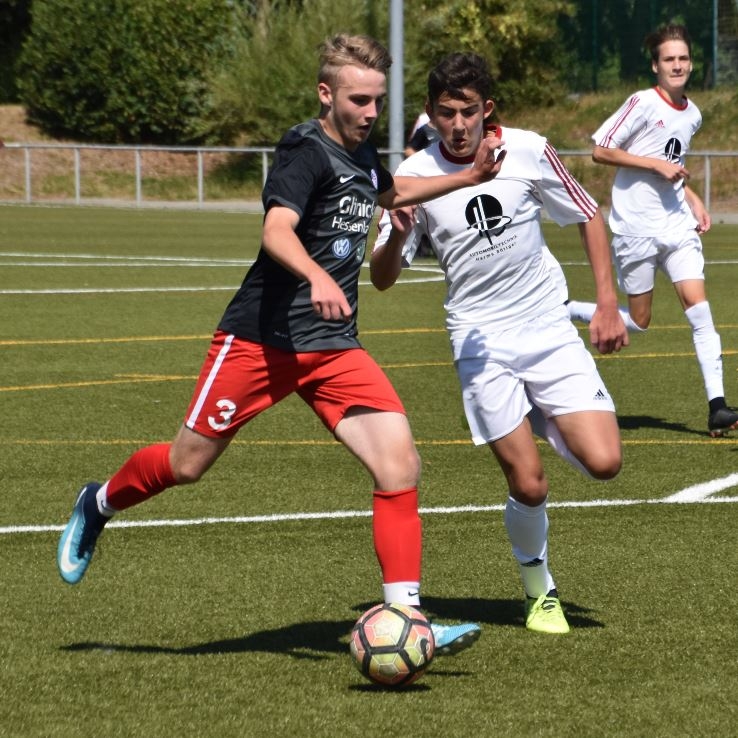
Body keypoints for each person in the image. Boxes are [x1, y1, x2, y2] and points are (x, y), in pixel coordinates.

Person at [57, 34, 506, 655]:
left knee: (399, 464)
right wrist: (317, 275)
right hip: (260, 341)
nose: (371, 112)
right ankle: (99, 502)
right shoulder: (305, 151)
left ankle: (409, 617)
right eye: (359, 100)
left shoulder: (362, 154)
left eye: (378, 100)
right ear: (326, 94)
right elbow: (276, 230)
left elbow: (392, 192)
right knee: (186, 465)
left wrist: (471, 176)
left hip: (332, 346)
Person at [371, 52, 628, 635]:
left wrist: (606, 302)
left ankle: (542, 414)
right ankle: (540, 592)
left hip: (546, 328)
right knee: (529, 483)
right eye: (446, 113)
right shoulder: (414, 175)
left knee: (605, 462)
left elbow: (588, 214)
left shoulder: (529, 149)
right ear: (430, 112)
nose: (458, 125)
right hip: (480, 340)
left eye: (468, 112)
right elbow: (381, 277)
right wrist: (398, 237)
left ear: (487, 110)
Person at [566, 24, 738, 438]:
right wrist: (653, 164)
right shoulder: (642, 102)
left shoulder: (693, 114)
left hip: (676, 225)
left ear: (691, 64)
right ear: (655, 66)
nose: (677, 65)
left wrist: (692, 198)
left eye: (683, 58)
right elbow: (600, 150)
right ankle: (565, 309)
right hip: (635, 230)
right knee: (640, 321)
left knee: (700, 311)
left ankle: (717, 407)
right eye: (668, 59)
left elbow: (673, 163)